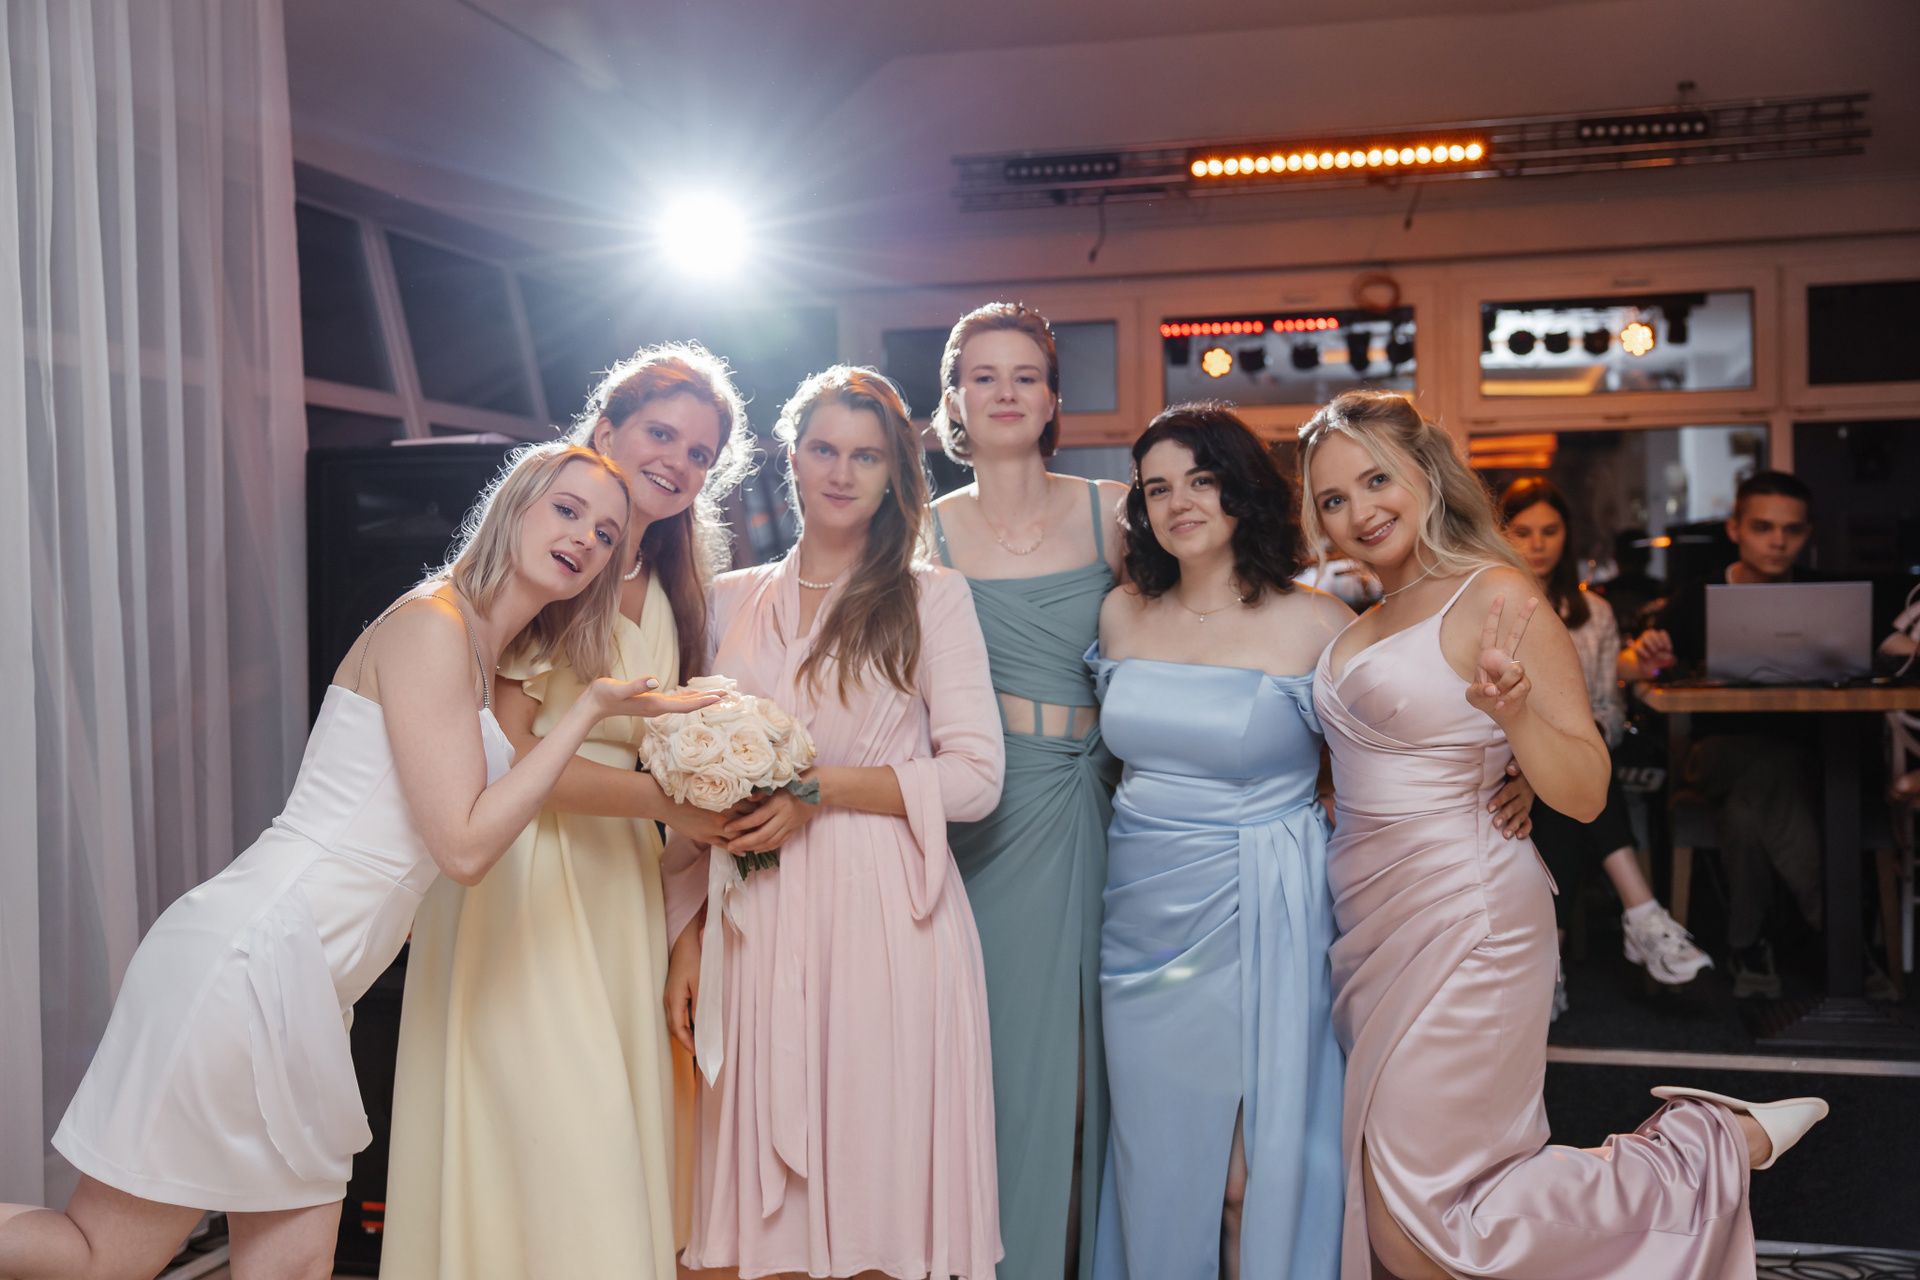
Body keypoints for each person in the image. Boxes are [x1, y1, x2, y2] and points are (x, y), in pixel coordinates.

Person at [0, 444, 722, 1280]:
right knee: (98, 1259)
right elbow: (463, 848)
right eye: (567, 510)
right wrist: (587, 713)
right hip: (249, 963)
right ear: (514, 507)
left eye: (605, 533)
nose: (585, 539)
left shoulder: (480, 651)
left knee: (296, 1265)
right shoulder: (430, 627)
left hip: (312, 989)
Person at [1305, 392, 1825, 1280]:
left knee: (1428, 1224)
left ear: (1426, 473)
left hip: (1468, 917)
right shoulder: (1353, 619)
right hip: (1366, 922)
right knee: (1400, 1227)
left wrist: (1516, 722)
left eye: (1376, 479)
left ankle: (1707, 1146)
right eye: (1332, 499)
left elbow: (1585, 790)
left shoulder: (1497, 594)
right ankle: (1708, 1150)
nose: (1360, 510)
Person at [381, 345, 753, 1280]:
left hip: (617, 882)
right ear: (606, 431)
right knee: (556, 1136)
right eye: (660, 433)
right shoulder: (558, 563)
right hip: (525, 872)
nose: (678, 461)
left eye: (700, 453)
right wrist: (677, 808)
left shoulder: (673, 582)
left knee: (594, 1140)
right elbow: (511, 753)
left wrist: (714, 789)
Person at [660, 366, 1005, 1280]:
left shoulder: (932, 598)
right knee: (751, 1225)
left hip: (884, 915)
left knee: (875, 1183)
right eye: (823, 450)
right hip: (754, 916)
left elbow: (976, 779)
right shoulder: (727, 600)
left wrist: (815, 791)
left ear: (895, 475)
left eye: (867, 456)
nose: (842, 473)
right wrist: (687, 939)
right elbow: (696, 781)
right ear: (793, 460)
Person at [1087, 404, 1351, 1280]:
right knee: (1156, 1163)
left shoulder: (1317, 622)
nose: (1179, 503)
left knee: (1246, 1179)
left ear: (1240, 489)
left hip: (1261, 906)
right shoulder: (1122, 615)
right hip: (1138, 921)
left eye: (1200, 480)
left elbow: (1390, 755)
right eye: (1158, 488)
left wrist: (1505, 776)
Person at [925, 302, 1126, 1280]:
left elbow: (1204, 628)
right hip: (988, 817)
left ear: (1052, 401)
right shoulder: (920, 534)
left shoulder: (1113, 511)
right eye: (983, 376)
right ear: (954, 402)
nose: (1005, 392)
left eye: (1025, 376)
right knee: (994, 1065)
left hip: (1107, 802)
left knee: (1105, 1070)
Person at [1499, 478, 1711, 1007]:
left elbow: (1611, 715)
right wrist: (1540, 759)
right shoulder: (1491, 608)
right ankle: (1643, 914)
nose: (1538, 544)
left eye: (1550, 531)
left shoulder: (1594, 613)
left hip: (1576, 758)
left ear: (1567, 535)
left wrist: (1562, 749)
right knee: (1572, 782)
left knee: (1575, 772)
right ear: (1503, 535)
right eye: (1524, 531)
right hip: (1507, 759)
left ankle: (1548, 972)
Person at [1617, 470, 1823, 997]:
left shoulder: (1825, 597)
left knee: (1747, 812)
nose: (1778, 541)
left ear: (1806, 533)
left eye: (1792, 530)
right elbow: (1637, 665)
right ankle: (1838, 931)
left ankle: (1747, 945)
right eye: (1763, 527)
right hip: (1714, 756)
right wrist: (1650, 656)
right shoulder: (1698, 597)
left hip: (1802, 761)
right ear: (1735, 529)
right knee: (1772, 768)